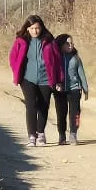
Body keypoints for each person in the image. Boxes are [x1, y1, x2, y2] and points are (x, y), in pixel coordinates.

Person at [8, 15, 63, 148]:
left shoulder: (50, 42)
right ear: (27, 29)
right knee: (31, 105)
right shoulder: (21, 41)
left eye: (37, 28)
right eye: (32, 28)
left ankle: (41, 134)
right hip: (27, 78)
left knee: (43, 106)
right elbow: (13, 57)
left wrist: (59, 80)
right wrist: (16, 72)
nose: (35, 31)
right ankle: (31, 136)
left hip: (46, 79)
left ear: (42, 28)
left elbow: (58, 62)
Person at [52, 33, 89, 144]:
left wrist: (85, 89)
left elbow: (81, 73)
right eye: (67, 43)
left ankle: (73, 134)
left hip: (74, 89)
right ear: (61, 44)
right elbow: (51, 72)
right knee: (61, 113)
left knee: (75, 113)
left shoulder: (76, 58)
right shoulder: (55, 58)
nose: (70, 45)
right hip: (60, 89)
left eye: (72, 43)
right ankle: (62, 135)